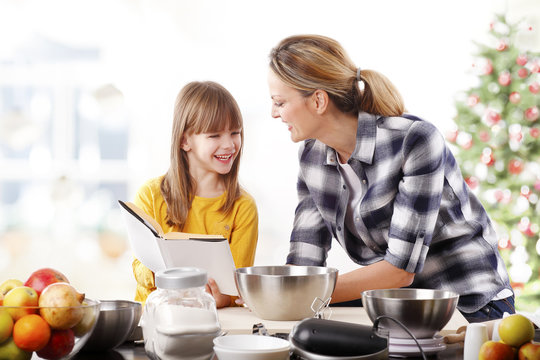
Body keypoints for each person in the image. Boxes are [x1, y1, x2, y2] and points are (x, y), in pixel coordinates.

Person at [267, 34, 514, 323]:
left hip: (468, 305)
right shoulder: (312, 156)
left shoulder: (414, 140)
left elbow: (400, 270)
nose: (274, 113)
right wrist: (275, 293)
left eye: (279, 102)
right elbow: (304, 264)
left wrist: (299, 294)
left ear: (319, 100)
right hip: (396, 305)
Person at [132, 81, 258, 308]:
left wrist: (221, 298)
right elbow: (140, 269)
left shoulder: (243, 206)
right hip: (155, 319)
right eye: (214, 135)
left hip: (214, 322)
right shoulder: (150, 195)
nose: (229, 144)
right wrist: (167, 280)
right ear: (184, 140)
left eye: (235, 133)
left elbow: (236, 288)